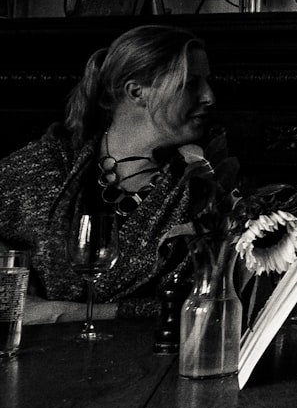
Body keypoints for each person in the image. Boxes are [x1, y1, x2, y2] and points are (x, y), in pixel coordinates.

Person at [0, 24, 219, 324]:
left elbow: (201, 304)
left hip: (147, 365)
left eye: (207, 82)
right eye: (191, 84)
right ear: (137, 91)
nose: (209, 96)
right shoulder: (50, 166)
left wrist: (57, 312)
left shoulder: (201, 184)